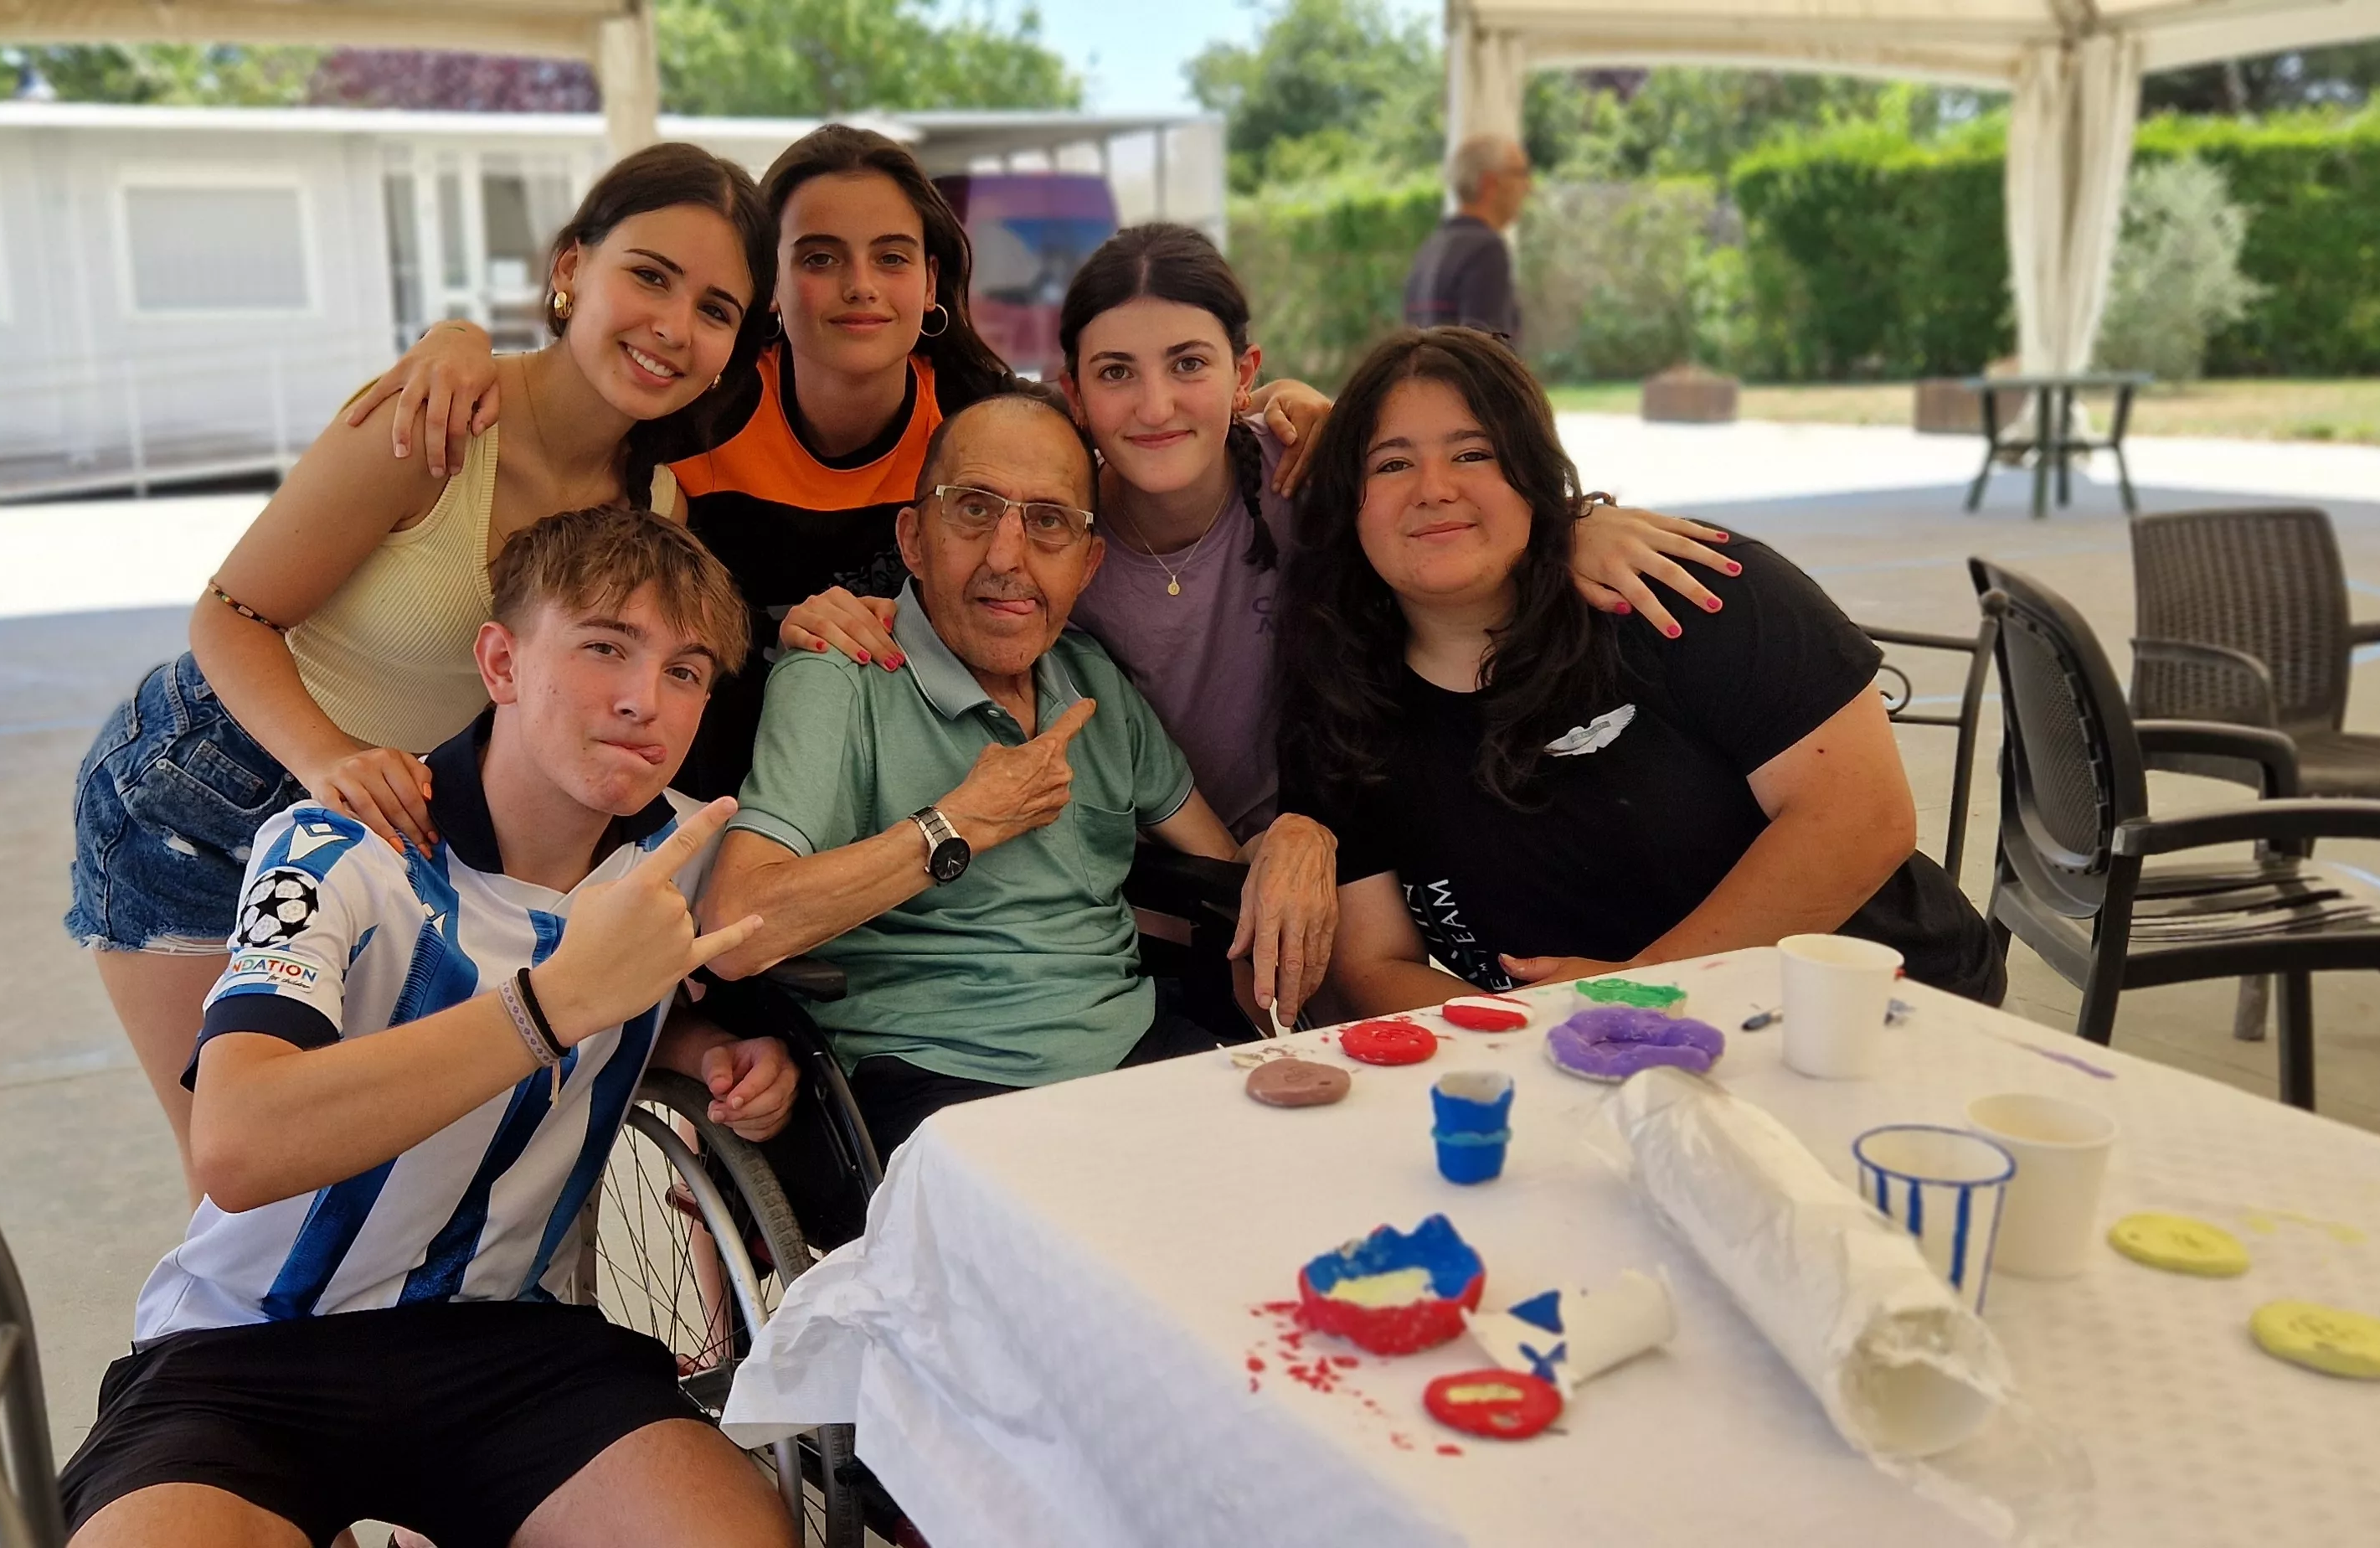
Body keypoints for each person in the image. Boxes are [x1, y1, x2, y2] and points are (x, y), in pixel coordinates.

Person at [772, 222, 1741, 1018]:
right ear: (1073, 391)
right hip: (1148, 887)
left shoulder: (1308, 489)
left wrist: (1575, 525)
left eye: (1188, 364)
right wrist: (816, 612)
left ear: (1244, 374)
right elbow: (925, 575)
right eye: (1115, 373)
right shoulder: (1049, 538)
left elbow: (1451, 509)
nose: (1154, 404)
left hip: (1347, 852)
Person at [59, 506, 796, 1548]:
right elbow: (238, 1142)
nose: (645, 701)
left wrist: (704, 1053)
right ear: (499, 661)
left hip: (509, 1347)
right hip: (246, 1352)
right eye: (602, 648)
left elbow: (631, 1007)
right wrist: (550, 1008)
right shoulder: (328, 846)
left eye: (685, 672)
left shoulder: (676, 853)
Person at [66, 142, 779, 1150]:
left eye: (715, 310)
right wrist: (329, 764)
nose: (673, 326)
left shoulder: (655, 503)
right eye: (650, 275)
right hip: (206, 794)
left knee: (370, 1154)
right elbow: (229, 613)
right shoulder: (439, 421)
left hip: (388, 830)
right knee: (250, 1173)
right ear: (572, 269)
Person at [345, 126, 1329, 801]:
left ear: (932, 278)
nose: (858, 286)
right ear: (769, 280)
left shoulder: (985, 427)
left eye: (892, 256)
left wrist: (1287, 406)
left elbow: (1138, 410)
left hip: (922, 796)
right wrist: (457, 338)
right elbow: (574, 384)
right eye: (818, 256)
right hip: (702, 790)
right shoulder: (695, 413)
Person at [1280, 328, 2005, 1015]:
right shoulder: (1344, 699)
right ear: (1351, 504)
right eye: (1392, 463)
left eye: (1474, 454)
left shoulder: (1683, 589)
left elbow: (1861, 817)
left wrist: (1637, 992)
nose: (1434, 488)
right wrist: (1546, 1029)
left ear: (1534, 477)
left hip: (1865, 1010)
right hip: (1579, 1065)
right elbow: (1371, 966)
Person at [699, 388, 1250, 1177]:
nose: (1007, 557)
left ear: (1088, 562)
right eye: (974, 510)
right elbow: (735, 922)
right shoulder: (841, 675)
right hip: (938, 1078)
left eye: (1049, 521)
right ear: (914, 538)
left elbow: (1220, 867)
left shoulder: (1092, 679)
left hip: (1137, 1054)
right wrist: (956, 824)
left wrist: (1297, 839)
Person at [1403, 136, 1532, 344]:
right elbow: (1487, 355)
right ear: (1490, 183)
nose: (1528, 187)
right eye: (1520, 174)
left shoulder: (1431, 247)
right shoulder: (1485, 250)